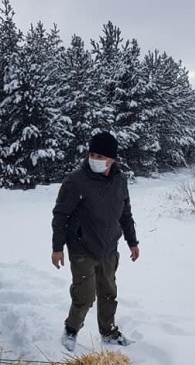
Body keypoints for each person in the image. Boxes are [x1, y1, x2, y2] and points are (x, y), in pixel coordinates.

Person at [51, 132, 140, 351]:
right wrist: (57, 247)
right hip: (82, 247)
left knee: (108, 292)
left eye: (101, 156)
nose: (95, 159)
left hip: (109, 247)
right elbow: (60, 214)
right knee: (85, 295)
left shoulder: (120, 181)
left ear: (112, 159)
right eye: (92, 154)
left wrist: (132, 241)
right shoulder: (76, 181)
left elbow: (125, 213)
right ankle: (71, 330)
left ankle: (108, 332)